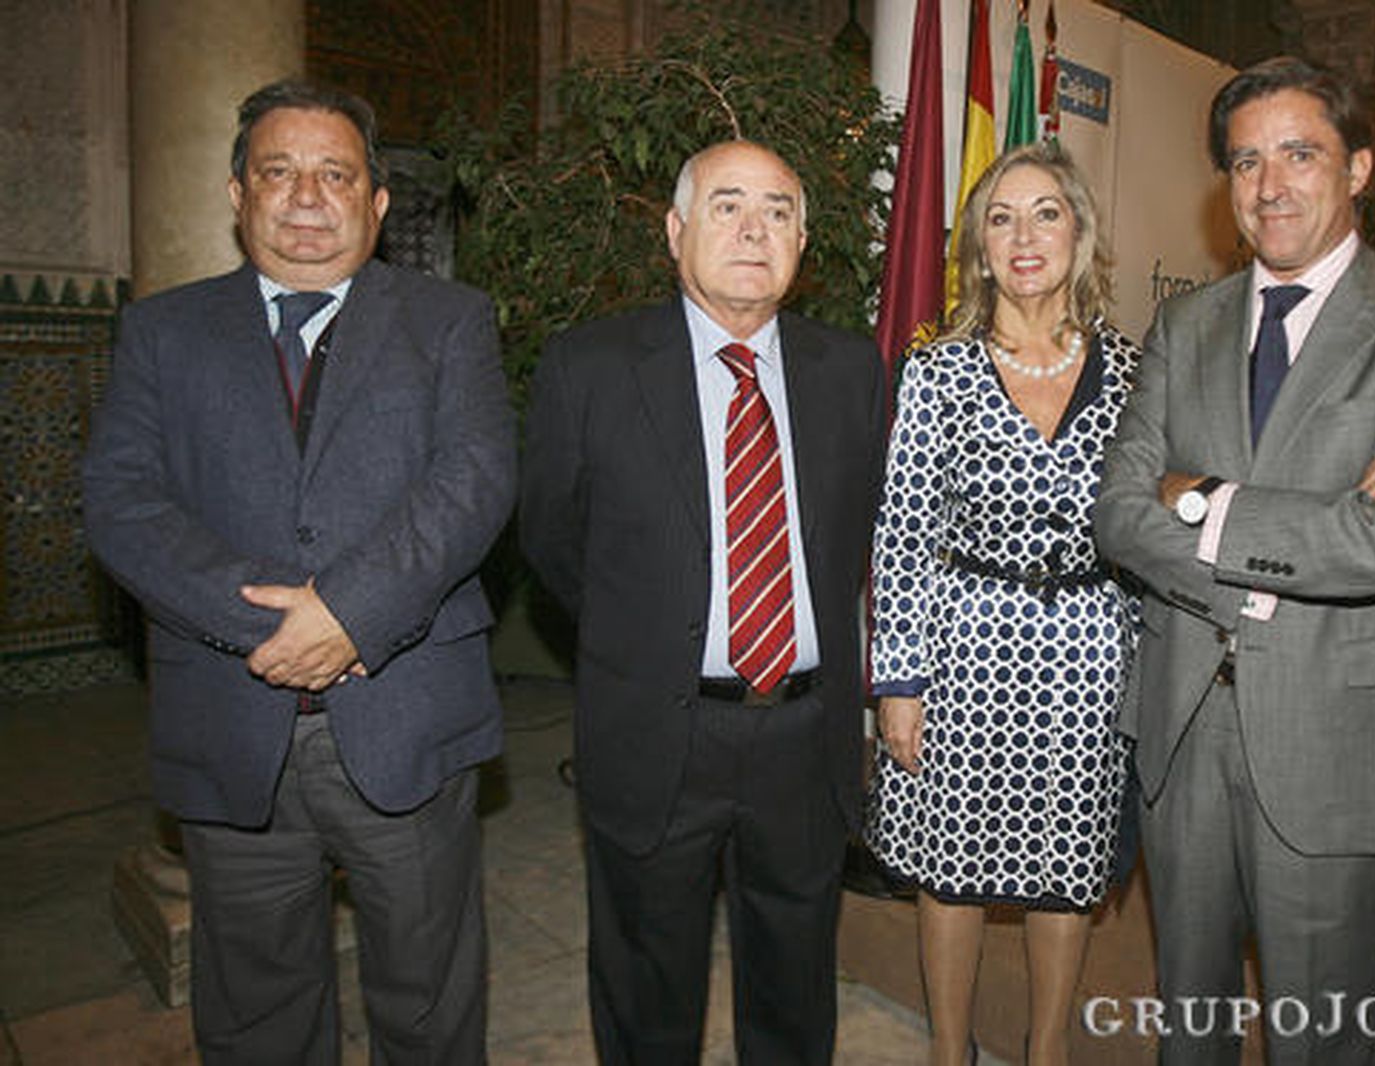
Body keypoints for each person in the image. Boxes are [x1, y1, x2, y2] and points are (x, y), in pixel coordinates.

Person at [81, 80, 514, 1063]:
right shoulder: (163, 331)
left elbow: (475, 481)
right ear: (239, 195)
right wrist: (279, 628)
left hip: (408, 717)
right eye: (279, 172)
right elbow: (121, 502)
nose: (307, 196)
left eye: (336, 174)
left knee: (431, 1009)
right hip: (232, 724)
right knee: (257, 1017)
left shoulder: (450, 320)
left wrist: (352, 613)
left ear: (378, 202)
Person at [1093, 55, 1375, 1065]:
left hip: (1336, 737)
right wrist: (1319, 524)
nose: (1269, 186)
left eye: (1299, 155)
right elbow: (1119, 513)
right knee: (1190, 1021)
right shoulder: (1186, 323)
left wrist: (1202, 497)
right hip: (1184, 728)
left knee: (1321, 1035)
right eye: (1245, 162)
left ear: (1357, 167)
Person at [520, 140, 886, 1064]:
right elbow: (553, 541)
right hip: (657, 732)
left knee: (796, 993)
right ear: (676, 230)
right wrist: (646, 639)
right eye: (728, 206)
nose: (754, 229)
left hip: (805, 736)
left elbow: (868, 535)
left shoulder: (851, 372)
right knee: (648, 993)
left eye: (778, 211)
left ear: (803, 243)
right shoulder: (590, 367)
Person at [866, 141, 1139, 1066]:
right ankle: (950, 1052)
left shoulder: (1134, 370)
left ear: (1079, 233)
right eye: (1001, 218)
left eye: (1045, 214)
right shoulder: (938, 371)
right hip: (966, 648)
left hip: (1091, 656)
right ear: (978, 247)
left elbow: (1149, 526)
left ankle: (1046, 1050)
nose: (1024, 236)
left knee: (1068, 867)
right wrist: (899, 682)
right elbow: (904, 533)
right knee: (952, 872)